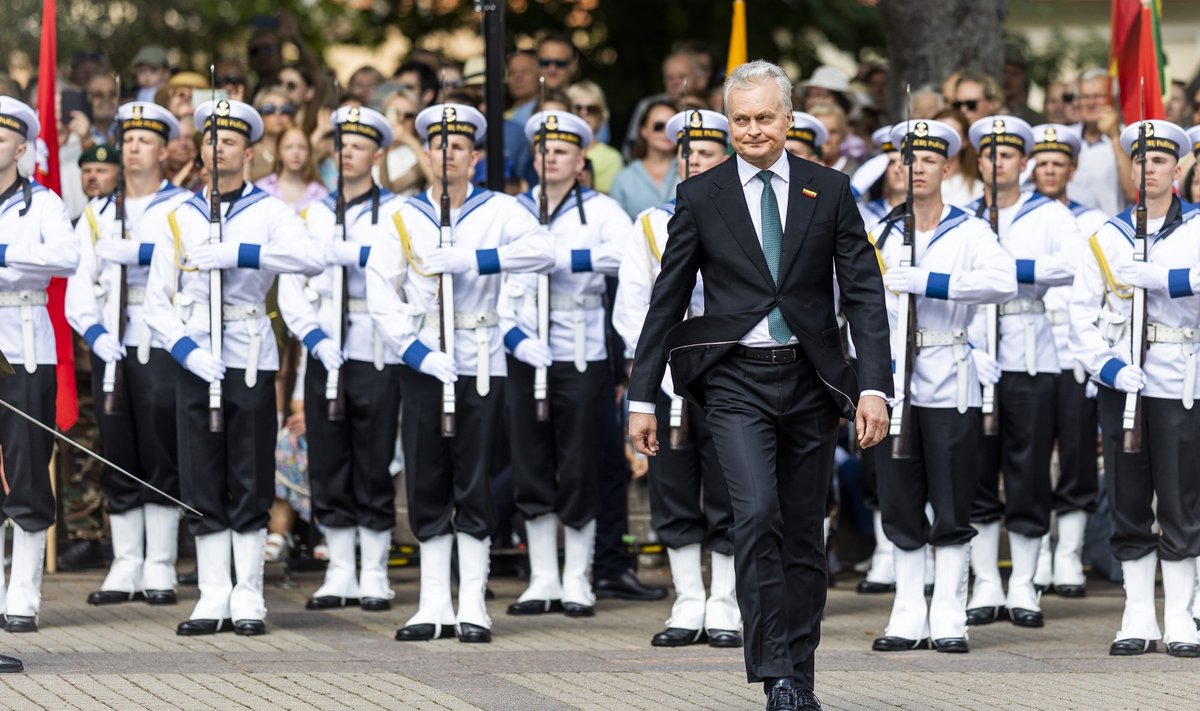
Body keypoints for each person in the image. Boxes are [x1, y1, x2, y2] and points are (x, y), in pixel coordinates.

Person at [626, 60, 892, 711]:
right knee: (755, 515)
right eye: (740, 119)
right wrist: (642, 396)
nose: (751, 130)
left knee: (805, 531)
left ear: (788, 117)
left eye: (763, 117)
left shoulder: (827, 190)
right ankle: (773, 668)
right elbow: (666, 302)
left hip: (809, 379)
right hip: (734, 383)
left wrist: (875, 386)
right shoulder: (701, 194)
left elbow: (864, 293)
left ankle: (799, 671)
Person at [364, 102, 554, 644]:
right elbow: (380, 290)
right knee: (427, 475)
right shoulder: (402, 215)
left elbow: (543, 250)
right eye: (438, 145)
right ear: (425, 154)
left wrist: (478, 260)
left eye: (459, 146)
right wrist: (415, 350)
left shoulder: (500, 209)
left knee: (472, 475)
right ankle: (431, 601)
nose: (447, 154)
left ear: (474, 157)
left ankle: (472, 600)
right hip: (426, 356)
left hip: (480, 356)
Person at [143, 98, 325, 636]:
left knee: (248, 473)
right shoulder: (178, 215)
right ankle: (211, 593)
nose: (216, 147)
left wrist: (244, 254)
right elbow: (156, 302)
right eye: (209, 139)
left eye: (228, 140)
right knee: (200, 473)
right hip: (196, 353)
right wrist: (185, 350)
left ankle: (248, 594)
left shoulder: (268, 211)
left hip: (248, 352)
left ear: (249, 152)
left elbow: (309, 258)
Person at [868, 119, 1016, 653]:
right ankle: (908, 607)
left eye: (928, 160)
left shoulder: (970, 228)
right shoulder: (881, 232)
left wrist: (932, 282)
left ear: (948, 169)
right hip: (892, 379)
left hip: (949, 371)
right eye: (908, 160)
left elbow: (1003, 282)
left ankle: (950, 608)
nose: (916, 169)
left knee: (953, 495)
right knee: (900, 495)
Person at [1068, 118, 1200, 658]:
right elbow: (1081, 313)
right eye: (1141, 161)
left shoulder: (1196, 228)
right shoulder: (1105, 235)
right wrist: (1108, 367)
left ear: (1177, 170)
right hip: (1124, 381)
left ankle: (1182, 614)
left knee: (1180, 497)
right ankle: (1137, 610)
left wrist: (1166, 279)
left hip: (1180, 377)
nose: (1150, 170)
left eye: (1161, 161)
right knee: (1127, 496)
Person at [613, 107, 741, 649]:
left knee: (731, 488)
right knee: (673, 486)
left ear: (726, 159)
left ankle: (727, 600)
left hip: (731, 373)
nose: (695, 163)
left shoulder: (746, 218)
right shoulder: (649, 224)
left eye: (707, 154)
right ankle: (688, 598)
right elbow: (632, 309)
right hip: (671, 377)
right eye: (687, 155)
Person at [500, 110, 630, 619]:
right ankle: (542, 578)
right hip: (527, 346)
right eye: (542, 150)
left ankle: (577, 577)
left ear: (581, 161)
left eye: (560, 150)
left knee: (579, 462)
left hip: (581, 350)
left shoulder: (600, 209)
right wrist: (514, 336)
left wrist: (561, 258)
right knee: (531, 459)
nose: (548, 157)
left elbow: (623, 255)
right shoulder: (515, 209)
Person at [65, 101, 194, 608]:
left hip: (161, 339)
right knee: (116, 447)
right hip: (112, 340)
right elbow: (81, 284)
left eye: (145, 140)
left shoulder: (182, 207)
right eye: (129, 140)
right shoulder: (98, 211)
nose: (135, 148)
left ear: (164, 149)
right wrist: (93, 332)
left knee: (160, 447)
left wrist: (142, 253)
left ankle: (160, 563)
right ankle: (126, 562)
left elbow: (190, 264)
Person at [279, 105, 407, 612]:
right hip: (325, 350)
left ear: (378, 154)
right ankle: (339, 569)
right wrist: (310, 335)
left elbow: (401, 274)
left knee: (374, 459)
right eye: (340, 145)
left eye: (358, 145)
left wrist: (354, 254)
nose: (346, 153)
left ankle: (374, 571)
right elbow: (291, 281)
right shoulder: (311, 213)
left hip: (374, 348)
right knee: (329, 459)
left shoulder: (397, 211)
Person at [963, 115, 1080, 629]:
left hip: (1031, 355)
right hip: (974, 353)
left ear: (1023, 162)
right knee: (975, 469)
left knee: (1029, 470)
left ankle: (1024, 582)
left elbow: (1072, 265)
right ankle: (985, 580)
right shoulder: (963, 216)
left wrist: (1007, 270)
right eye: (989, 154)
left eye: (1007, 155)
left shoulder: (1048, 214)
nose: (997, 163)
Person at [0, 97, 80, 638]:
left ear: (21, 147)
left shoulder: (41, 202)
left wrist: (5, 256)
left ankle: (23, 588)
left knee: (28, 464)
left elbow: (66, 257)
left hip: (24, 342)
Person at [1026, 124, 1107, 598]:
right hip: (1031, 349)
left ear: (1072, 170)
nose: (1050, 171)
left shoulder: (1092, 219)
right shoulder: (1021, 215)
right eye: (1044, 163)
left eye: (1059, 164)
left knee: (1077, 452)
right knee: (1031, 454)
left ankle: (1069, 554)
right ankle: (1036, 555)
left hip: (1074, 349)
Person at [1069, 69, 1135, 216]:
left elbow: (1133, 192)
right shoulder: (1067, 137)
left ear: (1113, 100)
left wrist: (1115, 137)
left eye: (1098, 96)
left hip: (1109, 231)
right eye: (1085, 97)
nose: (1091, 103)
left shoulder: (1130, 137)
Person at [609, 101, 679, 219]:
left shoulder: (692, 169)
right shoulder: (623, 178)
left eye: (671, 127)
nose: (666, 132)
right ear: (643, 131)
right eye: (659, 126)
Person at [254, 126, 328, 212]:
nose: (296, 152)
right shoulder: (262, 188)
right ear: (278, 153)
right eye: (288, 147)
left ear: (309, 153)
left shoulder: (320, 193)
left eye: (302, 147)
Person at [567, 81, 624, 194]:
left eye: (592, 109)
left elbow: (608, 204)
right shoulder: (553, 150)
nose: (584, 113)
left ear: (601, 115)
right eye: (577, 108)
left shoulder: (612, 158)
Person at [248, 87, 295, 183]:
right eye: (269, 109)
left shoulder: (300, 151)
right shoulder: (249, 154)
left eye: (285, 109)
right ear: (259, 115)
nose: (278, 114)